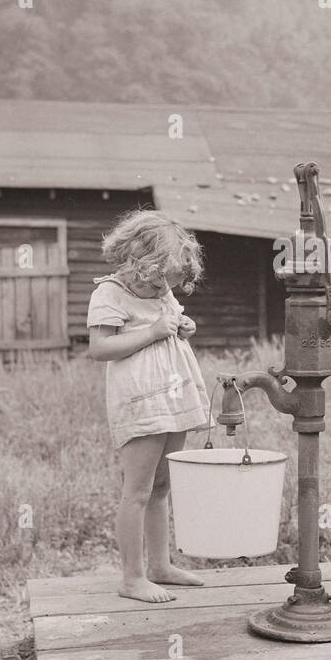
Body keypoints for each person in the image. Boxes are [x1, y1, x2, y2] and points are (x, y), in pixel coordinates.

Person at [87, 209, 216, 603]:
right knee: (138, 490)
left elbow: (171, 322)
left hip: (173, 397)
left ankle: (161, 565)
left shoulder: (162, 291)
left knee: (162, 486)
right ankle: (132, 577)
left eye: (174, 282)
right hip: (140, 403)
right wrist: (153, 331)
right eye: (165, 278)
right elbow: (100, 348)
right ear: (144, 264)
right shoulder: (108, 293)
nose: (167, 288)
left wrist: (184, 326)